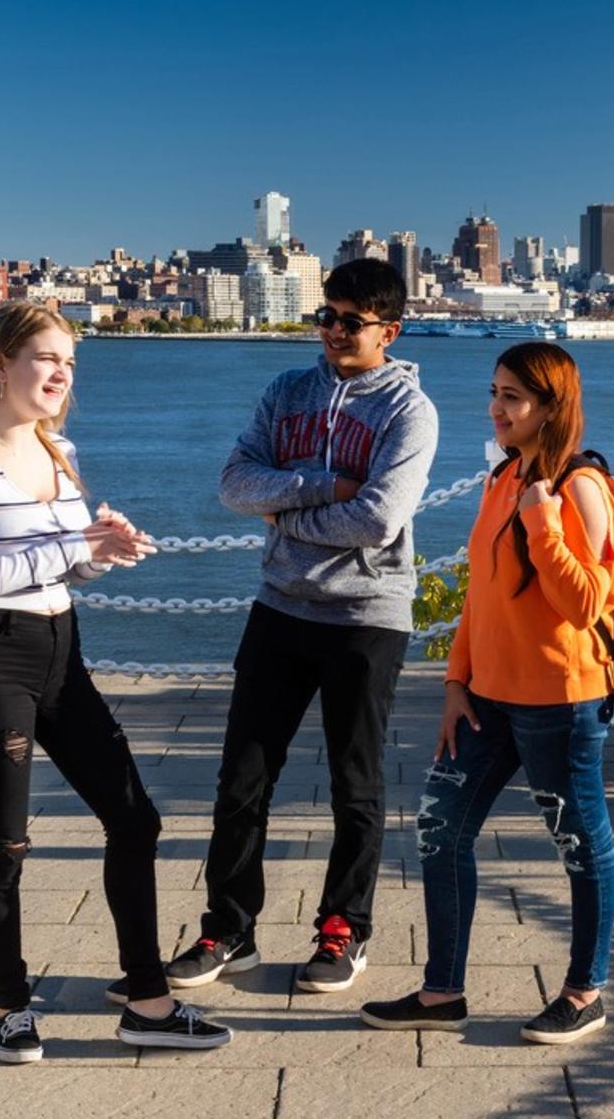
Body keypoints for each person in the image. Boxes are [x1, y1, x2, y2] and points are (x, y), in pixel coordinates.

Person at [0, 302, 231, 1061]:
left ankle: (149, 1004)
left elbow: (65, 567)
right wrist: (74, 545)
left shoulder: (58, 449)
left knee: (135, 819)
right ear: (2, 364)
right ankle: (11, 1006)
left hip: (61, 650)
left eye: (70, 362)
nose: (62, 373)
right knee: (7, 843)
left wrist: (103, 551)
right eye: (47, 358)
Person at [169, 257, 440, 996]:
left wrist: (284, 514)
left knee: (356, 783)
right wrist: (322, 488)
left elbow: (378, 519)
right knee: (242, 779)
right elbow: (234, 484)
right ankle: (228, 929)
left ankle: (344, 928)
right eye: (326, 316)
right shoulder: (286, 391)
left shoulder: (409, 411)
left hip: (366, 615)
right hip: (280, 607)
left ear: (389, 331)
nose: (334, 331)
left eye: (351, 321)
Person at [359, 342, 614, 1045]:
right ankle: (442, 990)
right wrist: (455, 683)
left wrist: (544, 521)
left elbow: (587, 603)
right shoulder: (503, 477)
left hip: (562, 700)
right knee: (440, 830)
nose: (496, 409)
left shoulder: (582, 487)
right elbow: (481, 595)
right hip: (488, 697)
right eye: (494, 392)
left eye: (512, 396)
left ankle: (585, 991)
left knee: (579, 843)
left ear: (551, 407)